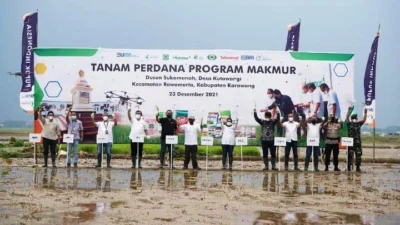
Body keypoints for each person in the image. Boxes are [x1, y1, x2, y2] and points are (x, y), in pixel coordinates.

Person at [346, 107, 367, 172]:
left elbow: (347, 118)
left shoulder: (351, 124)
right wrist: (365, 113)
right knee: (355, 155)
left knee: (353, 155)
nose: (355, 119)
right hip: (355, 142)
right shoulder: (356, 124)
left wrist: (348, 111)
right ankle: (354, 167)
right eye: (355, 118)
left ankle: (353, 167)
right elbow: (364, 119)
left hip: (353, 142)